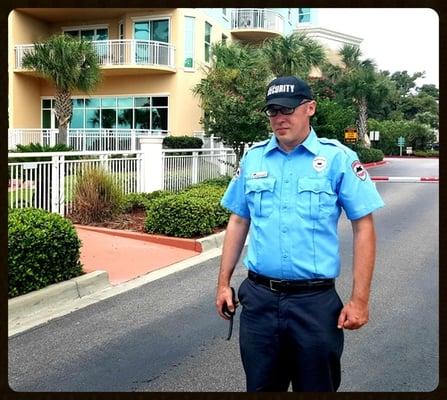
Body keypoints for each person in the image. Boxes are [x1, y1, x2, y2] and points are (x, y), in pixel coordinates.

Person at [215, 76, 385, 392]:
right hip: (260, 302)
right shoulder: (254, 158)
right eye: (273, 111)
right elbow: (239, 221)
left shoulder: (338, 159)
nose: (280, 118)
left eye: (288, 109)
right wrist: (223, 284)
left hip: (315, 305)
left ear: (310, 108)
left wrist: (360, 300)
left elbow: (364, 227)